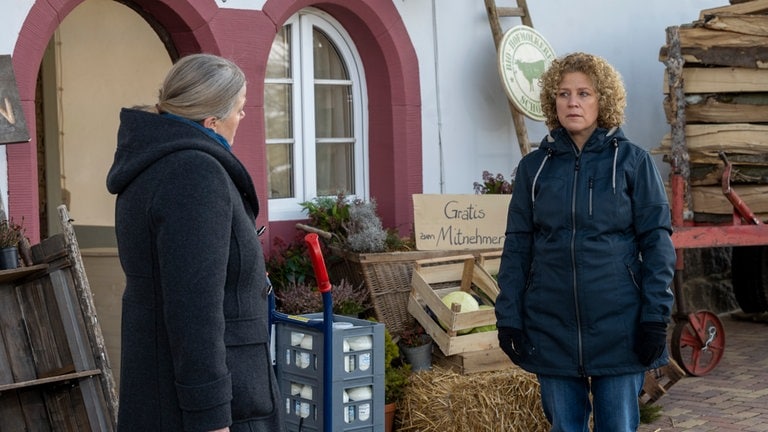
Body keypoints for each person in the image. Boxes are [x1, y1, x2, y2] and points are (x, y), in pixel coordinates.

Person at [495, 52, 676, 432]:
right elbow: (517, 247)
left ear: (603, 100)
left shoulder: (633, 162)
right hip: (551, 326)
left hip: (620, 326)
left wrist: (654, 318)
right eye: (563, 94)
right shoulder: (534, 168)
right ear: (552, 102)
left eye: (584, 93)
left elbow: (657, 243)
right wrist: (509, 317)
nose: (572, 102)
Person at [107, 53, 285, 432]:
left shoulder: (156, 164)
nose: (243, 117)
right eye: (239, 109)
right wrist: (211, 417)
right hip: (206, 407)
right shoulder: (193, 174)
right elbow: (194, 309)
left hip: (163, 389)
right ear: (212, 121)